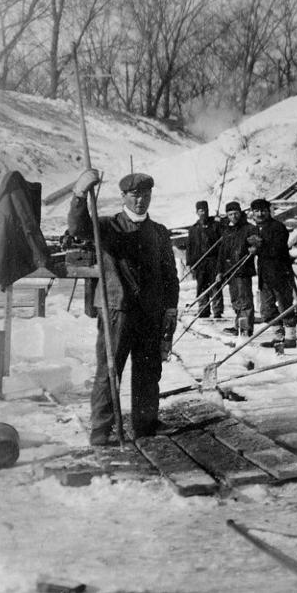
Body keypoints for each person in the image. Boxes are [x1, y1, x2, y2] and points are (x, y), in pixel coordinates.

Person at [68, 170, 179, 445]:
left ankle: (146, 423)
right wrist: (79, 196)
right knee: (109, 370)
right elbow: (78, 228)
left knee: (149, 370)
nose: (141, 201)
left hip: (150, 314)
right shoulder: (107, 227)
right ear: (123, 197)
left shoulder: (159, 233)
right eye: (135, 195)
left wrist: (170, 308)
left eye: (145, 195)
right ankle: (101, 428)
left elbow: (170, 275)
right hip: (117, 311)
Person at [248, 198, 297, 350]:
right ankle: (278, 336)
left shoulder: (278, 227)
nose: (260, 214)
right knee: (267, 308)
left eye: (263, 210)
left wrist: (259, 247)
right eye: (256, 211)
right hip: (265, 275)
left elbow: (276, 249)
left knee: (285, 305)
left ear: (268, 211)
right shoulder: (256, 229)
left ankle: (290, 338)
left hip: (280, 273)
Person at [219, 200, 257, 336]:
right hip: (230, 270)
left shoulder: (249, 228)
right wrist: (220, 271)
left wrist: (254, 245)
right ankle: (239, 326)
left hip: (243, 268)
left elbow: (256, 241)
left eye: (236, 213)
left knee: (244, 300)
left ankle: (246, 328)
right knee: (235, 299)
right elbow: (222, 252)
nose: (233, 217)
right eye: (230, 214)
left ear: (240, 213)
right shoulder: (227, 231)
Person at [186, 200, 224, 319]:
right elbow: (189, 248)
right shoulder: (193, 229)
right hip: (200, 263)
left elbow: (224, 236)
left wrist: (220, 221)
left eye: (206, 210)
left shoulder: (215, 225)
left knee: (215, 286)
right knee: (201, 286)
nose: (204, 212)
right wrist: (190, 263)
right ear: (197, 212)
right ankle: (203, 309)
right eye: (201, 210)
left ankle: (217, 310)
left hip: (213, 260)